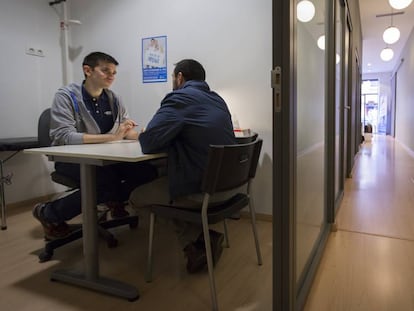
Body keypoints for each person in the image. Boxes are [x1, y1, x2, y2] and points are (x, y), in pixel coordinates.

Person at [33, 51, 158, 240]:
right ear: (87, 70)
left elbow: (124, 131)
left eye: (114, 72)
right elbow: (63, 136)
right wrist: (112, 137)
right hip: (72, 159)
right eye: (106, 70)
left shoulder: (113, 99)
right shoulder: (66, 96)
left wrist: (144, 134)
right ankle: (49, 213)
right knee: (104, 183)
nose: (111, 76)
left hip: (105, 156)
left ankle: (114, 200)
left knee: (147, 173)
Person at [130, 59, 237, 273]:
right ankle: (203, 236)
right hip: (228, 188)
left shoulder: (179, 97)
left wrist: (139, 133)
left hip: (203, 191)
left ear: (180, 77)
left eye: (172, 78)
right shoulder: (218, 100)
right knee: (160, 179)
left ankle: (197, 240)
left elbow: (149, 143)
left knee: (136, 198)